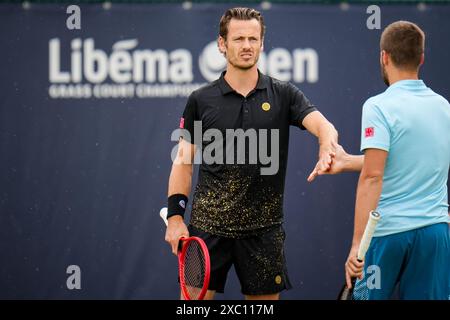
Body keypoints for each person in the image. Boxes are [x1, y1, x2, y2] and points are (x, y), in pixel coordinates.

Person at [165, 7, 338, 300]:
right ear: (222, 44)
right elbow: (183, 161)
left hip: (264, 234)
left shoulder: (284, 94)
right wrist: (174, 219)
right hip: (208, 231)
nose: (247, 45)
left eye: (253, 39)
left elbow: (324, 126)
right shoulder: (200, 100)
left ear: (262, 43)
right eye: (238, 38)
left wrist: (326, 143)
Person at [310, 21, 450, 300]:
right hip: (435, 234)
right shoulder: (443, 107)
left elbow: (374, 176)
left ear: (384, 57)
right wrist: (348, 161)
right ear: (421, 58)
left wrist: (356, 246)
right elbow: (411, 160)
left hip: (388, 235)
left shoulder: (378, 106)